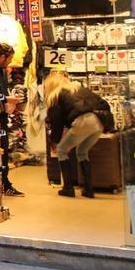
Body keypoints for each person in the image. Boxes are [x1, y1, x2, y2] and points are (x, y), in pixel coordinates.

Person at [44, 69, 114, 199]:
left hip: (84, 120)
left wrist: (55, 139)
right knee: (82, 151)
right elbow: (103, 102)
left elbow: (56, 120)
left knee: (61, 150)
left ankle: (68, 188)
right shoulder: (79, 89)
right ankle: (88, 189)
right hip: (100, 121)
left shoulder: (55, 94)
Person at [0, 44, 23, 198]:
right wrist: (8, 99)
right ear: (2, 57)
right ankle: (1, 184)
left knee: (2, 150)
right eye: (9, 59)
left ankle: (4, 184)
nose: (10, 63)